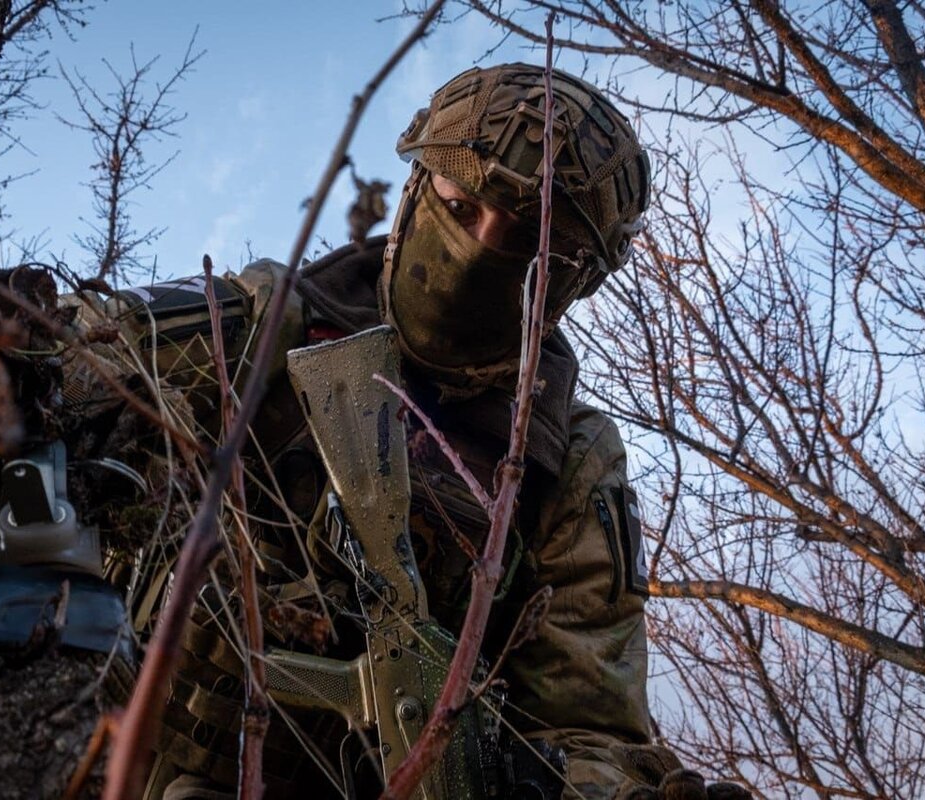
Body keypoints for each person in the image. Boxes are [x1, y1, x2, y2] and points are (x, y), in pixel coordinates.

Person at [68, 63, 746, 800]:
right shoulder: (271, 322)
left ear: (573, 284)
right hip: (102, 741)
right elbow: (76, 354)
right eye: (462, 205)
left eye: (530, 247)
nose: (483, 247)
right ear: (418, 190)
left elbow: (595, 728)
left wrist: (557, 785)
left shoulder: (564, 462)